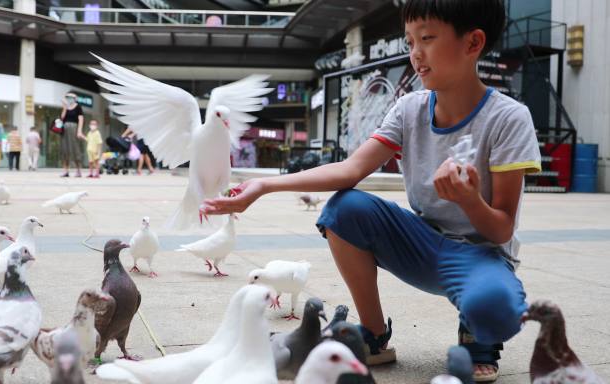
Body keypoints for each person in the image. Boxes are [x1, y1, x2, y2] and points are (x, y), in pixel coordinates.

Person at [202, 1, 540, 382]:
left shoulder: (509, 118)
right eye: (410, 40)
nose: (416, 53)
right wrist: (264, 185)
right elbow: (351, 170)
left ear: (473, 42)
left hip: (482, 255)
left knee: (495, 306)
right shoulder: (409, 108)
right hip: (423, 244)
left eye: (427, 38)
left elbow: (501, 230)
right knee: (345, 208)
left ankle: (478, 336)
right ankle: (375, 335)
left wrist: (469, 201)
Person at [60, 92, 85, 177]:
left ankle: (78, 170)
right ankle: (65, 170)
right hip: (65, 129)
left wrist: (79, 131)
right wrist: (64, 107)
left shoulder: (78, 107)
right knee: (65, 149)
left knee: (75, 149)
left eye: (71, 97)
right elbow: (62, 117)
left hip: (74, 128)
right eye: (67, 97)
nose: (69, 98)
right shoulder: (66, 107)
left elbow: (81, 119)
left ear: (75, 98)